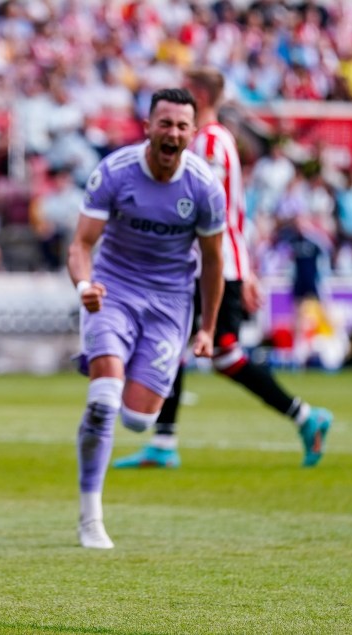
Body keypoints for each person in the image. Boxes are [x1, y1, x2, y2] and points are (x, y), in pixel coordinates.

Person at [114, 68, 333, 471]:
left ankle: (305, 416)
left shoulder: (211, 142)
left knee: (223, 353)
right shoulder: (208, 140)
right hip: (205, 262)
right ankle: (164, 442)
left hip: (211, 265)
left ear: (198, 95)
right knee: (173, 345)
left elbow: (204, 207)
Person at [67, 87, 226, 549]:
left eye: (181, 125)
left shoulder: (203, 187)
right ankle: (90, 517)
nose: (172, 132)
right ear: (148, 127)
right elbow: (81, 243)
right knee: (103, 400)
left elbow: (213, 262)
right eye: (165, 123)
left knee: (137, 420)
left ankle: (110, 358)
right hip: (112, 292)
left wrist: (208, 328)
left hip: (169, 303)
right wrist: (84, 286)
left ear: (192, 133)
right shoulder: (115, 172)